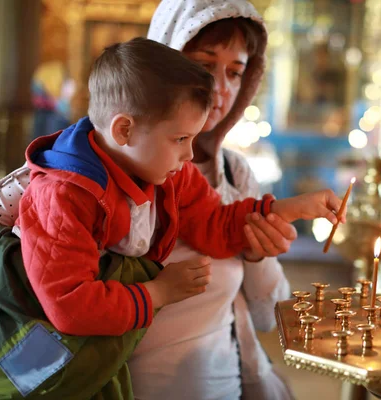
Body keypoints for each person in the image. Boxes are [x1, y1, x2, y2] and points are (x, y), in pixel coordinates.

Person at [14, 37, 344, 338]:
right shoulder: (63, 195)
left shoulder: (170, 173)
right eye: (181, 139)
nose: (189, 154)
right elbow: (70, 307)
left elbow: (214, 223)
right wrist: (159, 293)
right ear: (124, 130)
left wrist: (288, 209)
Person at [126, 1, 300, 399]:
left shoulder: (236, 174)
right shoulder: (109, 167)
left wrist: (257, 254)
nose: (220, 90)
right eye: (204, 68)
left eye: (235, 73)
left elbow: (267, 319)